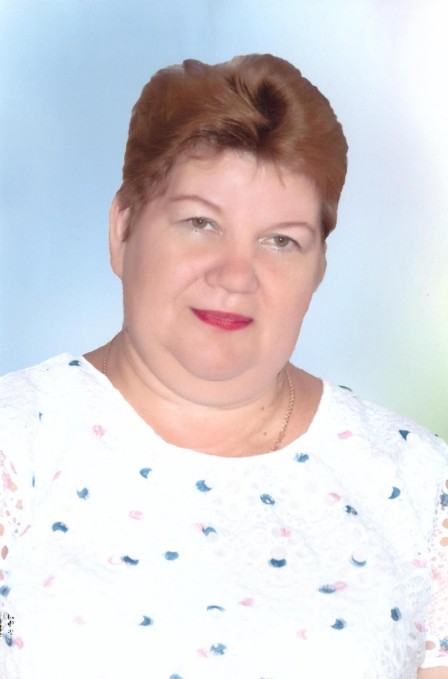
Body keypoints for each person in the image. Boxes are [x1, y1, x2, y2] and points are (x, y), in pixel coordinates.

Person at [0, 54, 447, 679]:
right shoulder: (18, 447)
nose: (236, 275)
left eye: (281, 240)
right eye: (200, 223)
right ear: (122, 230)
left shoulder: (419, 485)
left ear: (319, 268)